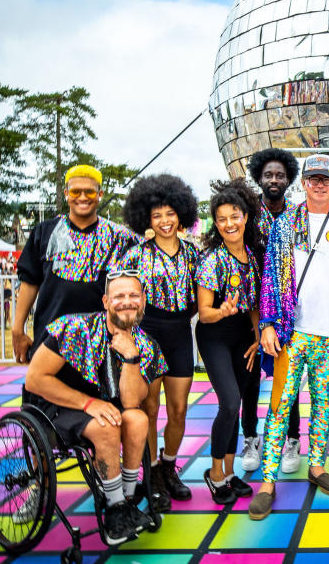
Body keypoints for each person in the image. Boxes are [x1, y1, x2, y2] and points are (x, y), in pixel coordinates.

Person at [250, 154, 329, 520]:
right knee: (280, 406)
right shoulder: (285, 225)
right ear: (303, 183)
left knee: (322, 405)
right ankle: (268, 482)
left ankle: (316, 466)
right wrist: (268, 324)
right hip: (292, 332)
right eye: (313, 178)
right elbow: (269, 277)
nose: (320, 184)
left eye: (326, 179)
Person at [24, 271, 167, 545]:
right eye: (120, 296)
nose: (127, 302)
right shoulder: (73, 328)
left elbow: (130, 402)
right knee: (107, 425)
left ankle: (123, 498)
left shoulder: (145, 344)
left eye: (134, 296)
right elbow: (34, 379)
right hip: (56, 406)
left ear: (144, 301)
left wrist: (131, 357)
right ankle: (114, 509)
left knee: (137, 419)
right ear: (105, 301)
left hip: (107, 407)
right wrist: (87, 403)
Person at [116, 174, 200, 509]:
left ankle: (168, 466)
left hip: (180, 333)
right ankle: (150, 475)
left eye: (170, 213)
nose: (164, 221)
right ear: (146, 219)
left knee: (179, 409)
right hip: (147, 335)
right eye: (156, 215)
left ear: (181, 214)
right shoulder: (135, 255)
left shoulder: (194, 255)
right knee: (149, 409)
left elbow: (204, 295)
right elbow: (120, 297)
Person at [13, 165, 141, 363]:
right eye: (75, 191)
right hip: (50, 338)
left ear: (100, 194)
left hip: (102, 343)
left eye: (89, 191)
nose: (83, 197)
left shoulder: (120, 238)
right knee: (45, 389)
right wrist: (17, 328)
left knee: (99, 395)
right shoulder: (44, 233)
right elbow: (30, 281)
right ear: (66, 194)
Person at [194, 178, 264, 505]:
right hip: (214, 336)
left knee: (236, 406)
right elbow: (204, 314)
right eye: (221, 219)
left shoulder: (252, 256)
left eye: (234, 216)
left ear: (246, 217)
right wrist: (221, 311)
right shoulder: (213, 260)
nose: (228, 224)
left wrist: (256, 337)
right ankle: (214, 473)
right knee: (230, 403)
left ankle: (231, 472)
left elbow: (253, 305)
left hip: (242, 339)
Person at [242, 148, 304, 475]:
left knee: (288, 379)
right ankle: (251, 438)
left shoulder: (297, 217)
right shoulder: (248, 215)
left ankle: (291, 440)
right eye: (269, 175)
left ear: (289, 179)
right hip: (249, 309)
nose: (275, 180)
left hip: (285, 311)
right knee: (249, 381)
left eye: (280, 175)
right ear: (259, 178)